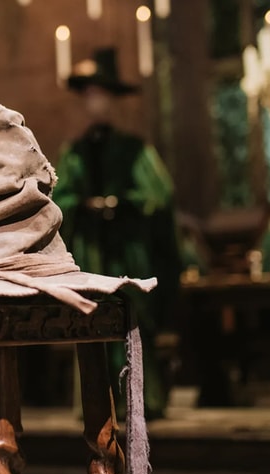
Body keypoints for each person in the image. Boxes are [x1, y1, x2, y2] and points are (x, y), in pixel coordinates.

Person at [53, 48, 182, 419]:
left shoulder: (134, 149)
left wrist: (123, 204)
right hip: (91, 251)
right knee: (90, 319)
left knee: (132, 317)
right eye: (89, 94)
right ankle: (96, 400)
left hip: (127, 249)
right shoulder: (74, 152)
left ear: (113, 99)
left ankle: (143, 399)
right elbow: (59, 200)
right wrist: (83, 206)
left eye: (101, 94)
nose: (95, 102)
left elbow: (159, 194)